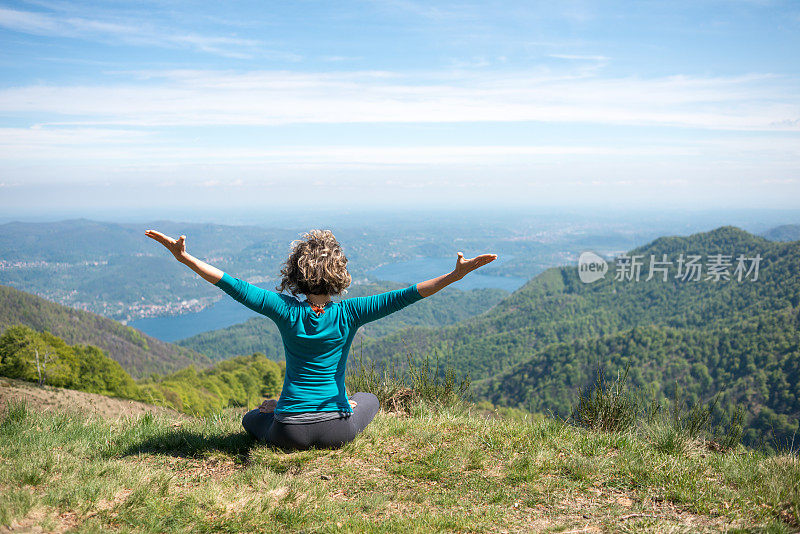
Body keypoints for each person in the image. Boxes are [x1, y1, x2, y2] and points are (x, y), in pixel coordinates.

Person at [145, 228, 496, 451]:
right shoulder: (351, 312)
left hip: (288, 432)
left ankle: (274, 409)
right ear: (340, 275)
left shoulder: (284, 310)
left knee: (251, 417)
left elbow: (231, 284)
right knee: (369, 398)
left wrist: (183, 257)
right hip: (338, 430)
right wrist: (456, 274)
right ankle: (343, 403)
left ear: (295, 275)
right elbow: (410, 294)